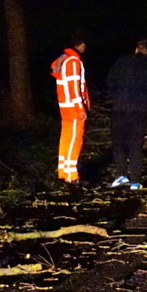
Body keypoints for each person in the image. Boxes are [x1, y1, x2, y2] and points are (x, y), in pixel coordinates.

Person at [106, 38, 147, 189]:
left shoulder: (121, 62)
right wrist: (146, 100)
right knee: (135, 145)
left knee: (118, 144)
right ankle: (135, 181)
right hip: (140, 110)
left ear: (136, 49)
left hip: (120, 108)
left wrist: (117, 97)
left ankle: (121, 175)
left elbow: (110, 82)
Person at [51, 32, 90, 184]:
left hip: (65, 106)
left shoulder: (65, 59)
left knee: (66, 138)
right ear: (81, 45)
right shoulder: (74, 62)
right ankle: (71, 176)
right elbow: (74, 87)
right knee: (75, 139)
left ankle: (64, 171)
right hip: (73, 108)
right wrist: (80, 108)